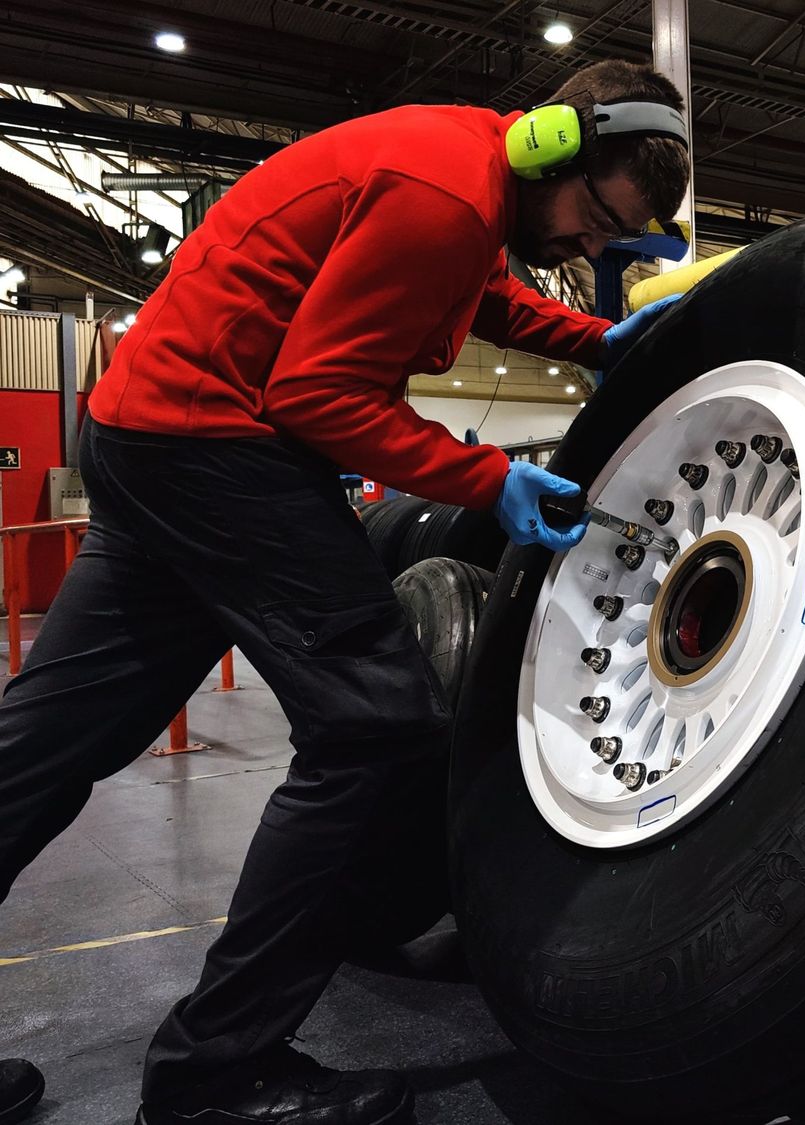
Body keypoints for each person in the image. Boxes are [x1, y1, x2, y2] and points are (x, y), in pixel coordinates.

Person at [0, 58, 689, 1125]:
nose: (592, 250)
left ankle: (284, 988)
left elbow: (478, 292)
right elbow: (317, 392)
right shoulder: (447, 195)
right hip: (222, 448)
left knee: (43, 746)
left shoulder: (462, 164)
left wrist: (594, 339)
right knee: (378, 728)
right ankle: (216, 1076)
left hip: (147, 431)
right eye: (600, 219)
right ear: (554, 144)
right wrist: (489, 477)